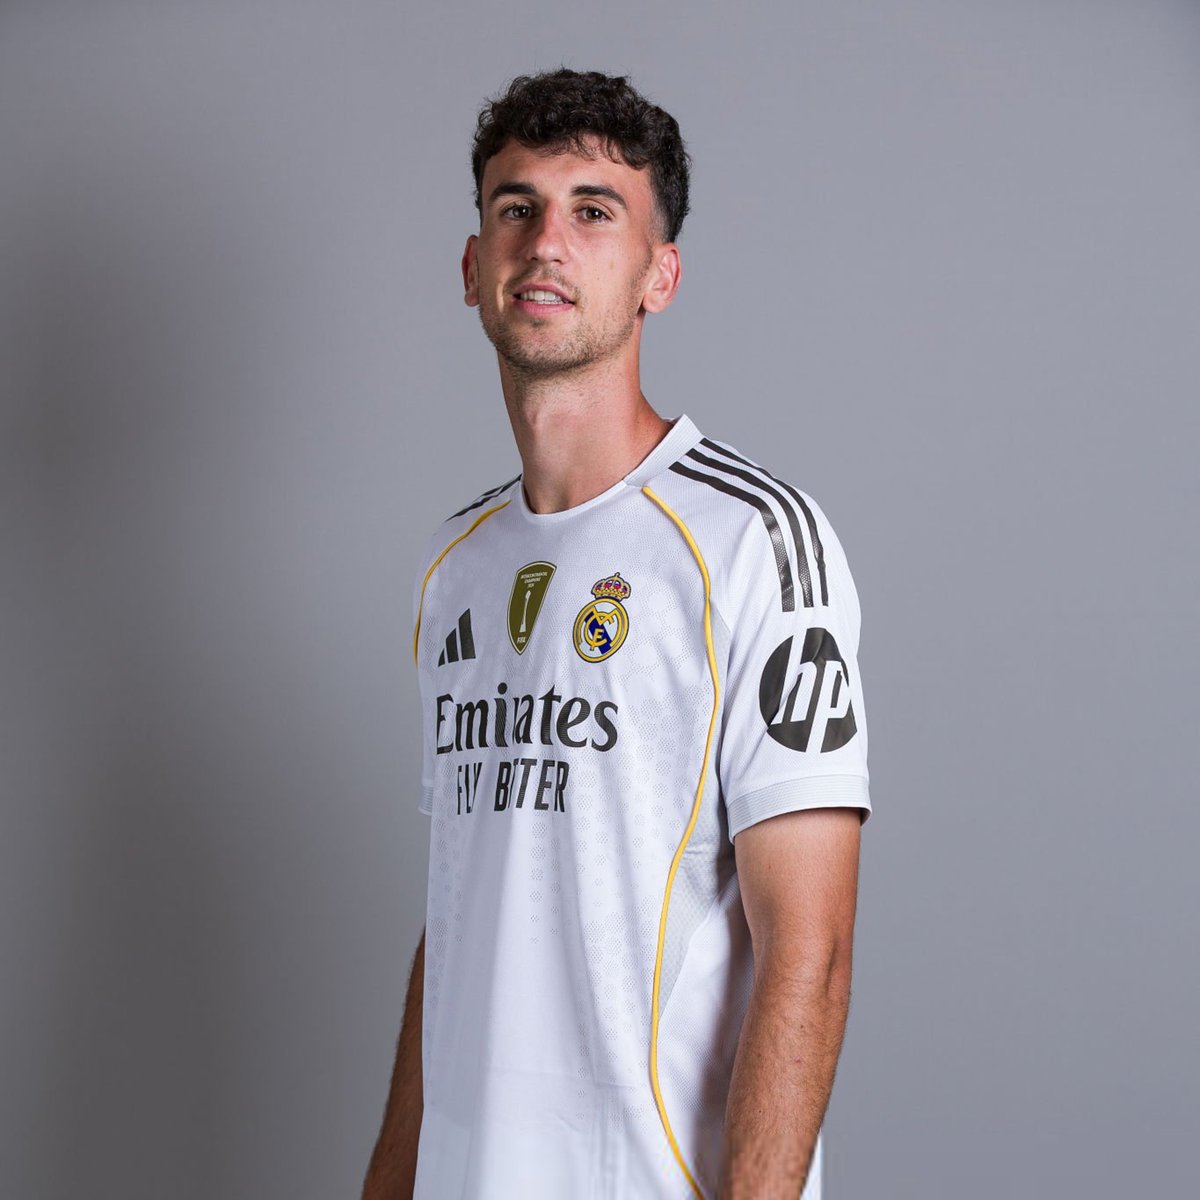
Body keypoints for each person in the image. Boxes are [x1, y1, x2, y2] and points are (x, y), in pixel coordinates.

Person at [362, 68, 871, 1200]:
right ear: (473, 268)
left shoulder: (753, 541)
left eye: (594, 211)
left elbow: (812, 950)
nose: (546, 242)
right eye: (517, 207)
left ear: (658, 275)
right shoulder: (453, 569)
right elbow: (462, 917)